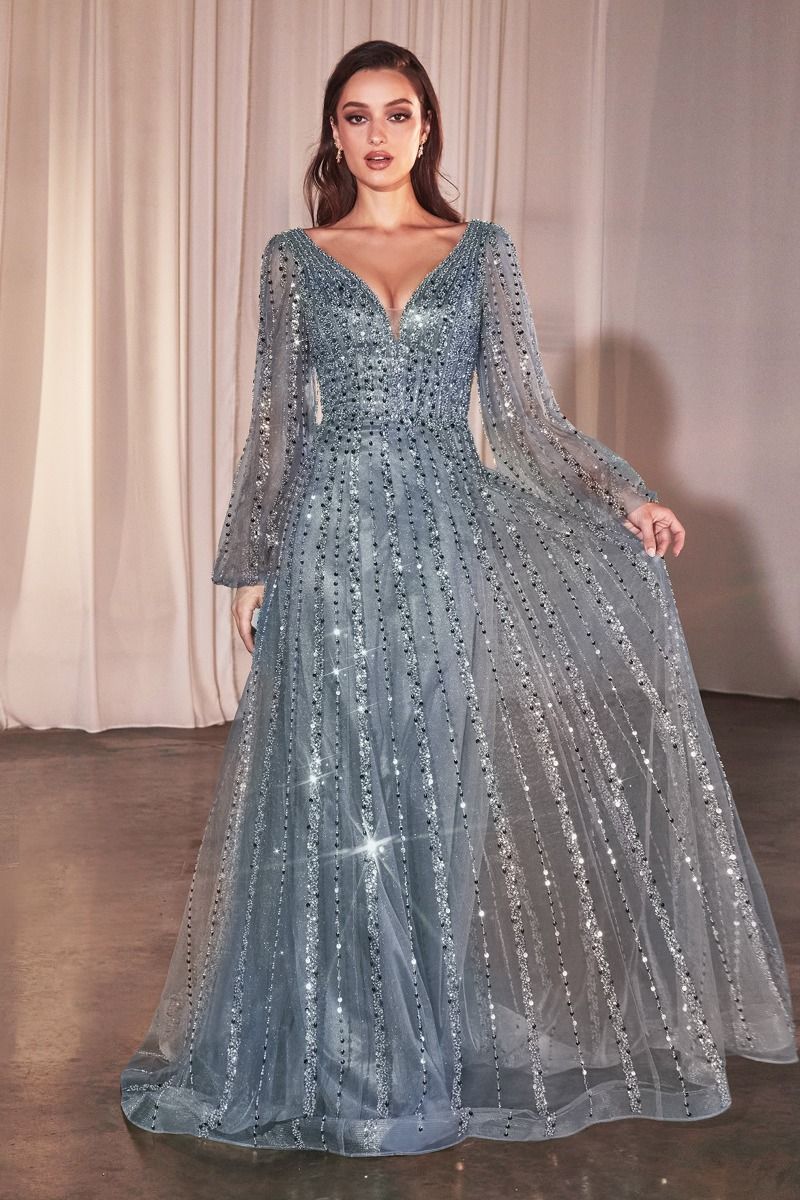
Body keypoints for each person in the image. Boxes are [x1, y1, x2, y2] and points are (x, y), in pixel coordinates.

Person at [119, 39, 797, 1158]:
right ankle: (344, 1054)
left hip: (446, 548)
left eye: (396, 114)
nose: (376, 135)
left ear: (426, 126)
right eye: (355, 116)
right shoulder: (295, 259)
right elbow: (276, 424)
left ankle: (415, 1035)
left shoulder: (481, 252)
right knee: (334, 793)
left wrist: (622, 495)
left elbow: (524, 417)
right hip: (331, 544)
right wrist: (250, 565)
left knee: (430, 795)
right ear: (333, 133)